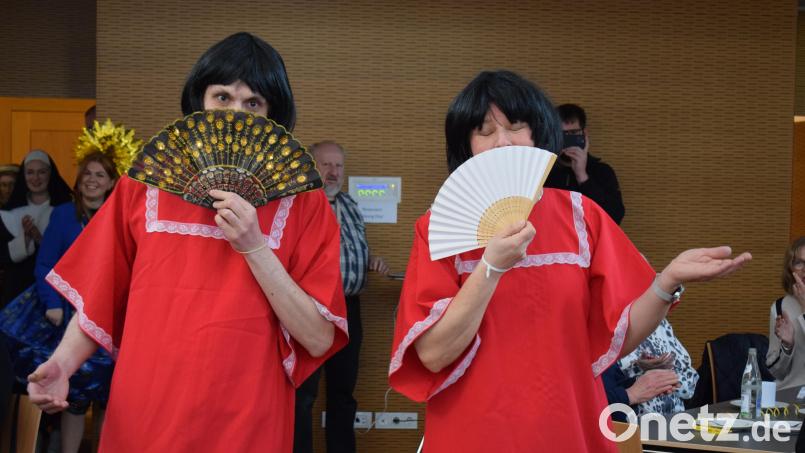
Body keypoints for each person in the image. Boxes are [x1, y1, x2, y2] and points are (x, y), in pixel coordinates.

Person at [388, 70, 751, 452]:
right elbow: (432, 355)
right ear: (467, 144)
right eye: (484, 130)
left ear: (538, 135)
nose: (502, 143)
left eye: (515, 126)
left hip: (568, 422)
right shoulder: (438, 228)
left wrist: (668, 279)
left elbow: (618, 337)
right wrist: (491, 268)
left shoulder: (583, 216)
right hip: (474, 428)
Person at [26, 32, 348, 452]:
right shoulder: (141, 187)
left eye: (253, 103)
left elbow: (320, 338)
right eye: (222, 97)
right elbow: (102, 296)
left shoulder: (304, 204)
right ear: (199, 100)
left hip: (249, 412)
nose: (236, 113)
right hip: (147, 406)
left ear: (273, 115)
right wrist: (62, 364)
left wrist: (254, 247)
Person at [1, 147, 124, 453]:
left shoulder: (121, 216)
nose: (91, 180)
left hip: (113, 316)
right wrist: (52, 303)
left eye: (100, 175)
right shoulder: (64, 214)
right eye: (87, 174)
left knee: (110, 395)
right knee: (76, 396)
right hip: (71, 315)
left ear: (111, 182)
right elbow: (45, 264)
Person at [294, 141, 389, 453]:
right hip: (312, 307)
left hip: (349, 307)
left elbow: (350, 249)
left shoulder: (349, 205)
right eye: (326, 165)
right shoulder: (299, 205)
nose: (333, 172)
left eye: (338, 166)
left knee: (343, 392)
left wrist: (370, 260)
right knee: (303, 394)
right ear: (311, 165)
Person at [0, 150, 72, 306]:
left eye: (42, 172)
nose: (36, 178)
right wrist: (23, 240)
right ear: (23, 177)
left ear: (50, 175)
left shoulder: (67, 211)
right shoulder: (7, 214)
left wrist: (41, 240)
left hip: (54, 294)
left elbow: (75, 255)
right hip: (15, 294)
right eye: (30, 172)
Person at [602, 318, 698, 421]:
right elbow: (599, 403)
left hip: (674, 423)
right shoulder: (607, 329)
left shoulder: (660, 324)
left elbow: (690, 386)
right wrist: (635, 377)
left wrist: (665, 377)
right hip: (631, 427)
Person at [543, 103, 625, 224]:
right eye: (562, 134)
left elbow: (615, 217)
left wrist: (582, 177)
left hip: (588, 241)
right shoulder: (543, 170)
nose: (567, 140)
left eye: (573, 133)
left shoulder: (602, 171)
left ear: (584, 134)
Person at [766, 236, 805, 389]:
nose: (804, 269)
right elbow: (776, 372)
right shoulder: (779, 306)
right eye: (799, 262)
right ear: (791, 268)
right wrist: (787, 347)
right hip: (788, 397)